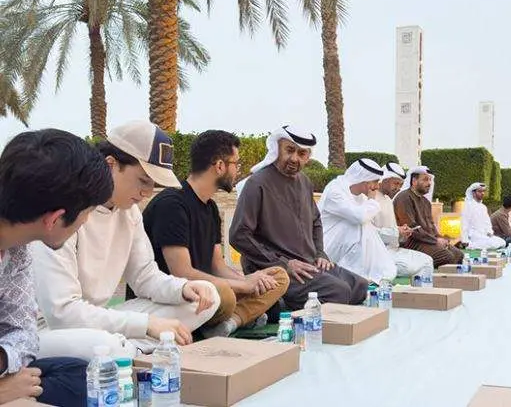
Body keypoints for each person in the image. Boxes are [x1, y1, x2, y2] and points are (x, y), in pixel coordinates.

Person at [30, 120, 219, 360]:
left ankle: (130, 349)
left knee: (207, 297)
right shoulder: (65, 212)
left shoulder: (129, 213)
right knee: (104, 345)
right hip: (47, 329)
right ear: (111, 165)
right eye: (143, 180)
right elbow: (61, 314)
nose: (147, 193)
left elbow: (145, 277)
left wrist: (181, 289)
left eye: (153, 184)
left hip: (99, 316)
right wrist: (145, 325)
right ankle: (130, 348)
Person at [0, 129, 114, 405]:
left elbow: (24, 332)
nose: (85, 223)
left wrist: (3, 362)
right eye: (86, 214)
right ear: (55, 219)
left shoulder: (17, 249)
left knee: (81, 375)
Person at [142, 130, 289, 338]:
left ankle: (229, 322)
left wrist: (249, 279)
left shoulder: (210, 208)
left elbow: (217, 266)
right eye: (236, 164)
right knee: (226, 295)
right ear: (220, 166)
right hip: (180, 295)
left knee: (278, 276)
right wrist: (243, 286)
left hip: (210, 289)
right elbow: (181, 273)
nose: (238, 170)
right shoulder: (172, 205)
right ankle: (240, 316)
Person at [230, 125, 368, 310]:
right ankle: (278, 305)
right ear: (277, 148)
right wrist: (284, 264)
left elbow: (316, 222)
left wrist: (319, 253)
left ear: (307, 157)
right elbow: (239, 235)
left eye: (301, 154)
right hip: (274, 268)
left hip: (308, 264)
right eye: (289, 150)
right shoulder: (257, 183)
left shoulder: (304, 182)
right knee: (337, 291)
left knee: (360, 287)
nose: (294, 158)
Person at [318, 159, 397, 283]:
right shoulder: (335, 190)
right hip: (325, 247)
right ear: (364, 180)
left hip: (341, 244)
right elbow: (359, 217)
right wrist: (372, 200)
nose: (377, 187)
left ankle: (360, 275)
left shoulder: (359, 195)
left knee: (364, 226)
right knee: (357, 225)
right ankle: (354, 276)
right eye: (375, 182)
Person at [393, 166, 464, 267]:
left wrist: (441, 238)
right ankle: (419, 267)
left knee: (459, 255)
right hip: (412, 242)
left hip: (427, 240)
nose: (429, 183)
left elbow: (430, 226)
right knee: (446, 257)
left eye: (430, 180)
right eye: (425, 180)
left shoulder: (425, 202)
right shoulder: (404, 198)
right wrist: (435, 241)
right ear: (414, 181)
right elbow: (411, 228)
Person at [372, 162, 432, 277]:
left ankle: (420, 293)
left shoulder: (388, 200)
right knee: (407, 267)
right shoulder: (371, 199)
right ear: (384, 179)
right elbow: (370, 233)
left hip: (394, 249)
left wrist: (402, 234)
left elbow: (393, 231)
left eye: (400, 185)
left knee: (427, 261)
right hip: (378, 251)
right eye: (396, 183)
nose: (398, 188)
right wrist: (396, 232)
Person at [460, 183, 505, 250]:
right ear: (473, 193)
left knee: (502, 242)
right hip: (473, 235)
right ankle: (470, 245)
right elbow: (464, 223)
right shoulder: (468, 205)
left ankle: (477, 245)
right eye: (480, 191)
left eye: (483, 191)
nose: (483, 193)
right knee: (494, 244)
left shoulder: (483, 207)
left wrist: (490, 232)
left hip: (484, 235)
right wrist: (464, 240)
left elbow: (487, 223)